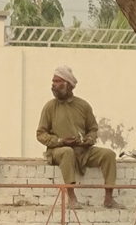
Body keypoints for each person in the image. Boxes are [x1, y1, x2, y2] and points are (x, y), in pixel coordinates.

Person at [36, 66, 120, 209]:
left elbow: (93, 129)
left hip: (83, 151)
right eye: (53, 81)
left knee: (109, 154)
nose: (53, 85)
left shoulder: (83, 105)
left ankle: (109, 198)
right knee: (67, 151)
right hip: (59, 150)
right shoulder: (49, 107)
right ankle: (71, 197)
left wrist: (88, 140)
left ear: (68, 85)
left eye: (57, 81)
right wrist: (60, 141)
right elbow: (41, 134)